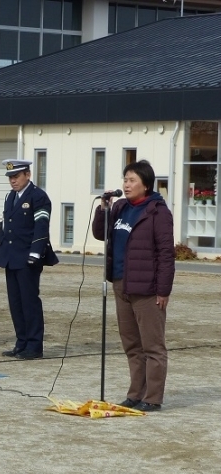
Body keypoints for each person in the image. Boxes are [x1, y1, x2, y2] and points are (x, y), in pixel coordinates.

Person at [92, 160, 175, 412]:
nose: (126, 185)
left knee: (152, 345)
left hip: (147, 289)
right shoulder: (119, 207)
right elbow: (100, 233)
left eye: (132, 181)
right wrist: (102, 209)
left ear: (146, 185)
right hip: (121, 284)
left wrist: (163, 290)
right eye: (125, 180)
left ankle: (153, 397)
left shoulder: (157, 212)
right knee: (131, 344)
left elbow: (166, 254)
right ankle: (135, 394)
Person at [0, 159, 58, 360]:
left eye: (16, 176)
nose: (13, 181)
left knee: (29, 302)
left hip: (27, 257)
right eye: (10, 177)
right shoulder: (9, 197)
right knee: (15, 303)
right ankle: (21, 343)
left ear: (27, 175)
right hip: (11, 257)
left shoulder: (38, 196)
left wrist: (35, 253)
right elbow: (5, 226)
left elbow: (41, 227)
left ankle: (34, 345)